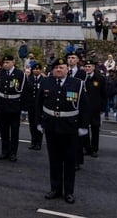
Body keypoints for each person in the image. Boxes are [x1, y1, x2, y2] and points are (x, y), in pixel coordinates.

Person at [36, 58, 88, 204]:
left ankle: (69, 192)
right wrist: (39, 122)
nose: (58, 70)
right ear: (52, 70)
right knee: (54, 160)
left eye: (61, 67)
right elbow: (38, 103)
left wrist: (83, 126)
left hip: (70, 127)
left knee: (70, 161)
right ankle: (55, 189)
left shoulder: (77, 84)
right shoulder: (46, 82)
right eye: (56, 68)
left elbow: (84, 106)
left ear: (67, 69)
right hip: (51, 126)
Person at [0, 55, 27, 162]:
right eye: (4, 62)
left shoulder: (19, 74)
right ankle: (4, 152)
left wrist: (23, 108)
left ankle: (13, 153)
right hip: (2, 104)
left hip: (14, 105)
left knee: (14, 131)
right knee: (3, 131)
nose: (5, 64)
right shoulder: (1, 72)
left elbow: (24, 90)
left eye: (7, 62)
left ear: (13, 62)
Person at [81, 60, 107, 159]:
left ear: (93, 67)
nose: (87, 68)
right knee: (84, 128)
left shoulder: (100, 78)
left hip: (95, 108)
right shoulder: (82, 78)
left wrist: (103, 108)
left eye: (89, 66)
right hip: (84, 108)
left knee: (95, 129)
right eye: (86, 66)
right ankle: (86, 147)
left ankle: (94, 149)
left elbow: (104, 94)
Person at [24, 63, 44, 150]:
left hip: (40, 106)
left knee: (39, 124)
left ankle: (39, 142)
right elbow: (26, 92)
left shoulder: (43, 80)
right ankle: (33, 141)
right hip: (31, 105)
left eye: (38, 69)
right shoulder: (29, 79)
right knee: (32, 124)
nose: (36, 70)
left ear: (40, 70)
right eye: (35, 69)